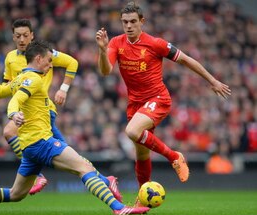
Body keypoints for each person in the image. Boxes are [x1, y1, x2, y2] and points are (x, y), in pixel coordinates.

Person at [0, 40, 149, 215]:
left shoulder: (19, 78)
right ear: (38, 58)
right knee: (84, 167)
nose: (50, 64)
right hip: (41, 141)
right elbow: (15, 101)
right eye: (48, 60)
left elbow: (0, 91)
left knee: (16, 194)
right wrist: (13, 113)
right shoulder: (34, 79)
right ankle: (118, 207)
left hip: (28, 147)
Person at [95, 2, 231, 204]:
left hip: (157, 99)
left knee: (132, 132)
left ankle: (174, 156)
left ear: (142, 22)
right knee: (141, 153)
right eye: (125, 22)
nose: (129, 26)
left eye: (133, 21)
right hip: (136, 104)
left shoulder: (155, 43)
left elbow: (186, 60)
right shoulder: (116, 42)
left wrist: (212, 81)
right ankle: (143, 196)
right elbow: (105, 71)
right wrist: (103, 50)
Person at [0, 18, 122, 200]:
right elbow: (6, 90)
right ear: (12, 37)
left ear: (32, 35)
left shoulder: (44, 54)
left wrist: (63, 89)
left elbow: (72, 63)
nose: (22, 40)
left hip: (42, 110)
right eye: (18, 36)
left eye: (25, 35)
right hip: (25, 111)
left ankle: (38, 177)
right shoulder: (10, 58)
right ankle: (106, 180)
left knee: (9, 131)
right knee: (71, 157)